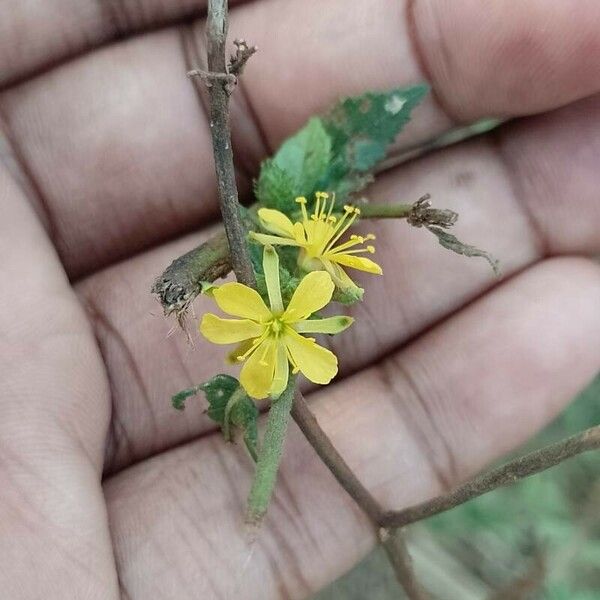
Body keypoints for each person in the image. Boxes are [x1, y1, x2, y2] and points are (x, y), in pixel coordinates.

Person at [1, 1, 599, 598]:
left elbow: (296, 279)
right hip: (283, 254)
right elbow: (266, 265)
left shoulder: (298, 277)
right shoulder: (281, 272)